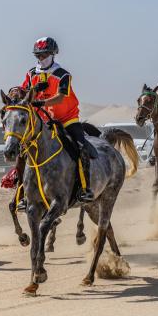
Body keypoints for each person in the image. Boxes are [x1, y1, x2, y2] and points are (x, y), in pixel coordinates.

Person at [15, 37, 97, 208]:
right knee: (22, 153)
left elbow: (60, 98)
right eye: (38, 55)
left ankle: (85, 188)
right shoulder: (31, 74)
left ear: (53, 54)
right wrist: (23, 91)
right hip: (42, 121)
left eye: (44, 54)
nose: (41, 58)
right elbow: (23, 92)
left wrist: (41, 102)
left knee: (81, 148)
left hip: (67, 119)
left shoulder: (63, 74)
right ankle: (23, 194)